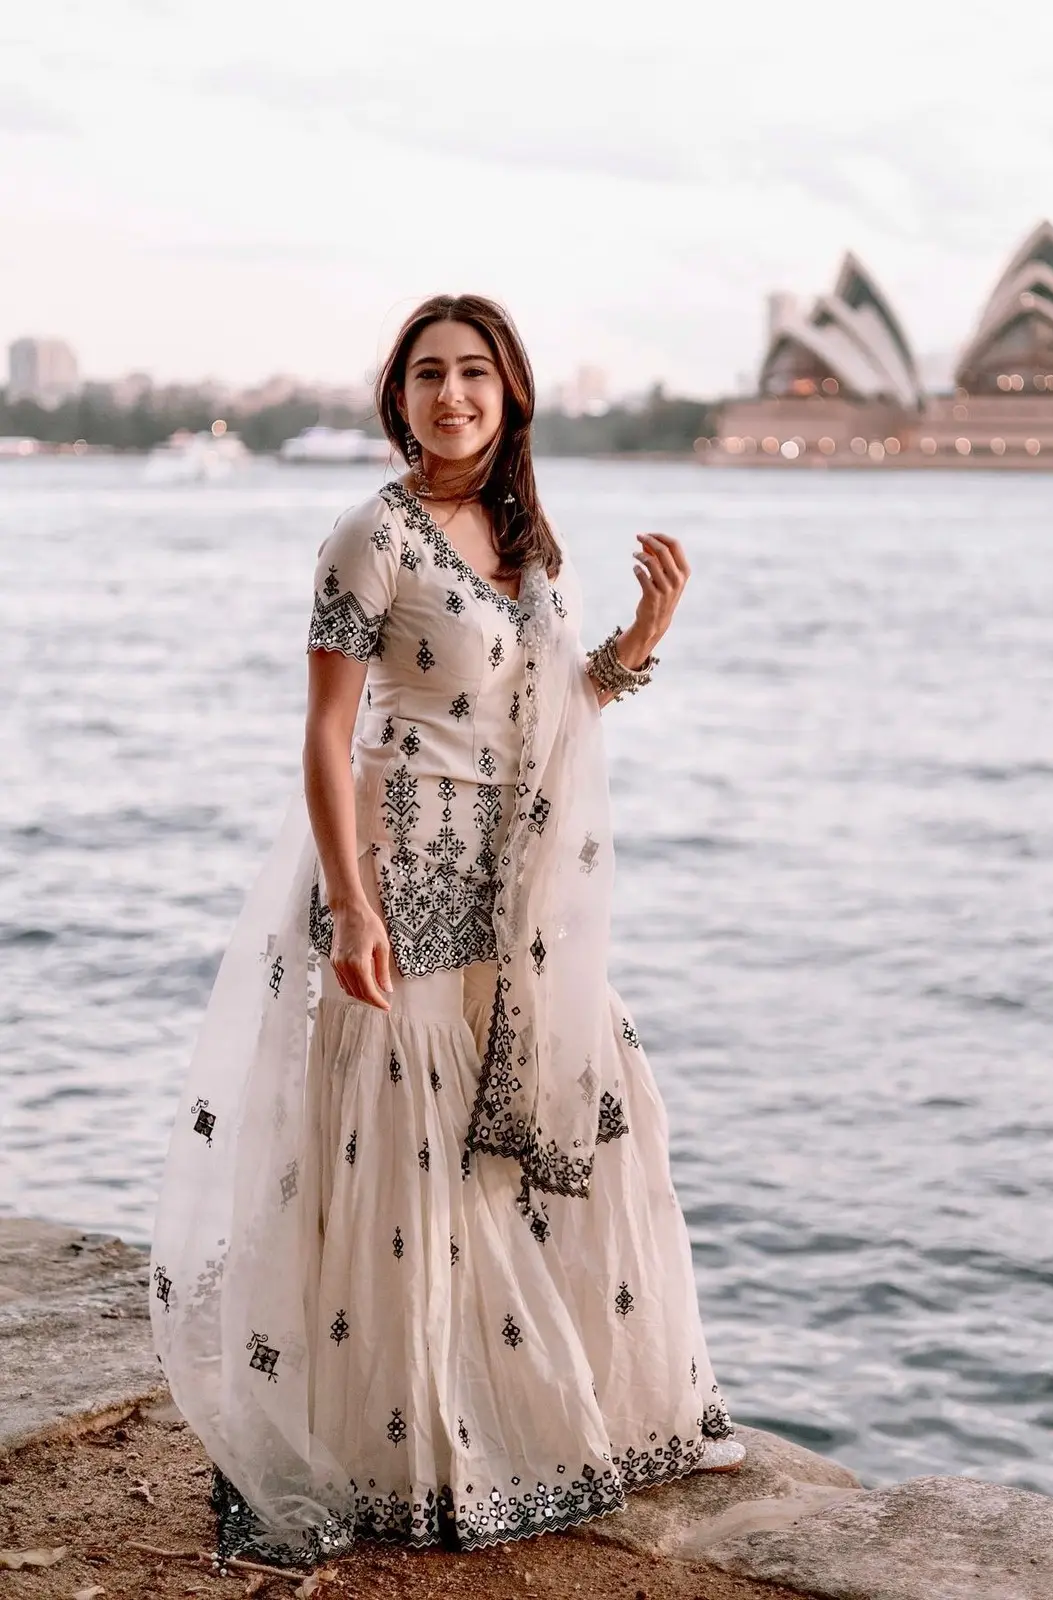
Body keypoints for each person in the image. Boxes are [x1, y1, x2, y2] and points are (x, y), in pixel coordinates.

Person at [149, 293, 742, 1569]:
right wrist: (351, 902)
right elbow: (324, 734)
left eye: (474, 372)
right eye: (427, 374)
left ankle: (590, 1409)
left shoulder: (531, 540)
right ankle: (414, 1450)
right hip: (402, 877)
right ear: (398, 396)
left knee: (592, 1112)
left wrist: (640, 640)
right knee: (413, 1170)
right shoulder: (370, 537)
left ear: (511, 391)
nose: (451, 395)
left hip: (518, 898)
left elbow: (544, 718)